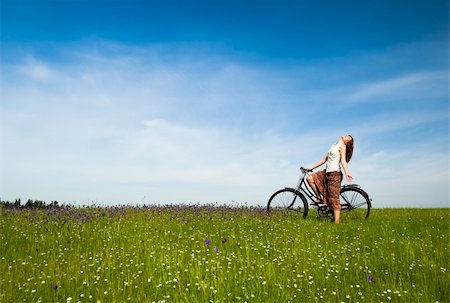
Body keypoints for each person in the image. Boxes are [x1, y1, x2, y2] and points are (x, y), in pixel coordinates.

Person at [306, 135, 354, 224]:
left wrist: (347, 173)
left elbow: (343, 161)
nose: (346, 136)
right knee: (309, 178)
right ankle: (318, 197)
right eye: (347, 135)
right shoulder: (334, 146)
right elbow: (324, 159)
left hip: (334, 174)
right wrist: (311, 167)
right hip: (326, 173)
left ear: (347, 142)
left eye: (348, 138)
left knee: (334, 199)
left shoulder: (342, 147)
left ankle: (337, 223)